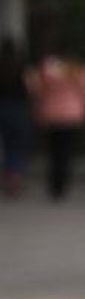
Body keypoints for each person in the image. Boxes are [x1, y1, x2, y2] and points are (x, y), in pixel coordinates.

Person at [26, 47, 85, 201]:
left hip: (51, 115)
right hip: (71, 115)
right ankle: (63, 183)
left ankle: (54, 184)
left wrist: (37, 110)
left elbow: (37, 90)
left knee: (53, 151)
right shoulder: (76, 70)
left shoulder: (47, 69)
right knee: (66, 152)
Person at [0, 37, 29, 197]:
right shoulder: (20, 67)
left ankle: (7, 176)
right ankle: (14, 176)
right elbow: (28, 89)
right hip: (17, 109)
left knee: (7, 145)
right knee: (16, 145)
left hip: (3, 108)